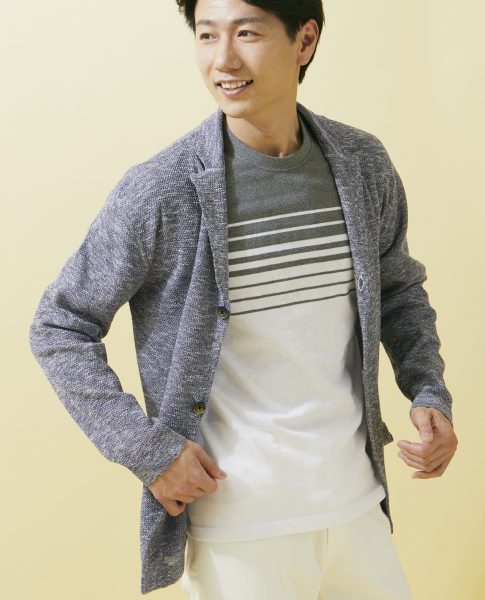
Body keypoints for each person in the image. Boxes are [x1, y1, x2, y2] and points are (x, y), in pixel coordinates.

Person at [29, 0, 458, 597]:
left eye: (247, 33)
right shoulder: (163, 190)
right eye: (207, 36)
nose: (223, 60)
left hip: (356, 504)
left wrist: (428, 389)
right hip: (238, 525)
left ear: (304, 41)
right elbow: (59, 324)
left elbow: (398, 289)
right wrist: (148, 450)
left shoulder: (361, 164)